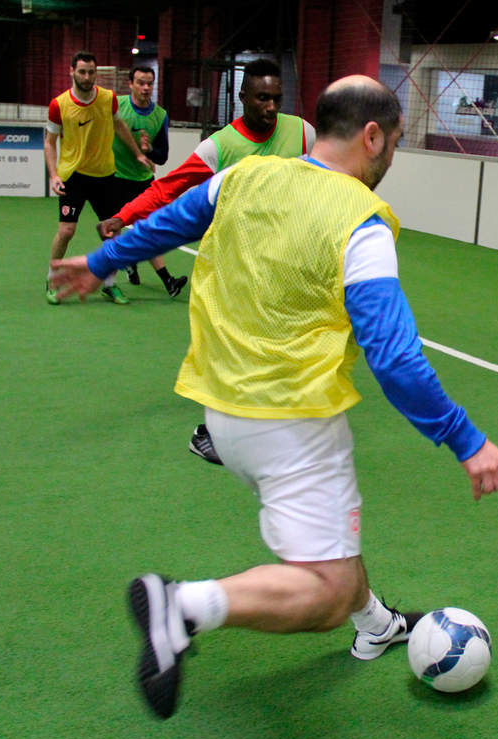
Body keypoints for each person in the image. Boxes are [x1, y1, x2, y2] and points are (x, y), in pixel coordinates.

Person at [49, 75, 498, 720]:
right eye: (394, 143)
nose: (392, 157)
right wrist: (467, 440)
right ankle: (183, 606)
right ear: (372, 136)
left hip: (221, 414)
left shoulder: (243, 177)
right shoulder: (362, 222)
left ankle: (377, 624)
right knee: (327, 592)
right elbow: (394, 357)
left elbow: (173, 220)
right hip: (294, 424)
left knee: (334, 542)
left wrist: (101, 262)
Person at [95, 58, 315, 462]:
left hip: (286, 264)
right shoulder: (220, 146)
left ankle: (271, 423)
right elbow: (167, 188)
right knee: (237, 349)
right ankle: (209, 433)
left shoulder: (303, 133)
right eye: (262, 98)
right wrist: (122, 217)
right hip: (237, 266)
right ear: (242, 97)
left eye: (277, 98)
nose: (270, 107)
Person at [43, 51, 152, 305]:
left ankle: (110, 284)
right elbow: (49, 143)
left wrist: (137, 153)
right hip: (73, 176)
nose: (87, 77)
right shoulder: (59, 105)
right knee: (66, 231)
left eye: (91, 72)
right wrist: (54, 175)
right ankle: (52, 279)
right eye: (82, 71)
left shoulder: (107, 98)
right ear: (72, 72)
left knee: (110, 232)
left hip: (104, 175)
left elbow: (119, 126)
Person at [110, 66, 187, 298]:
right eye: (140, 83)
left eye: (149, 84)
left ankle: (168, 281)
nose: (145, 88)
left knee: (149, 229)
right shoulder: (117, 106)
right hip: (113, 177)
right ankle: (119, 272)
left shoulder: (160, 116)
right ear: (130, 84)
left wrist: (149, 149)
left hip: (142, 180)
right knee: (114, 228)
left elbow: (162, 157)